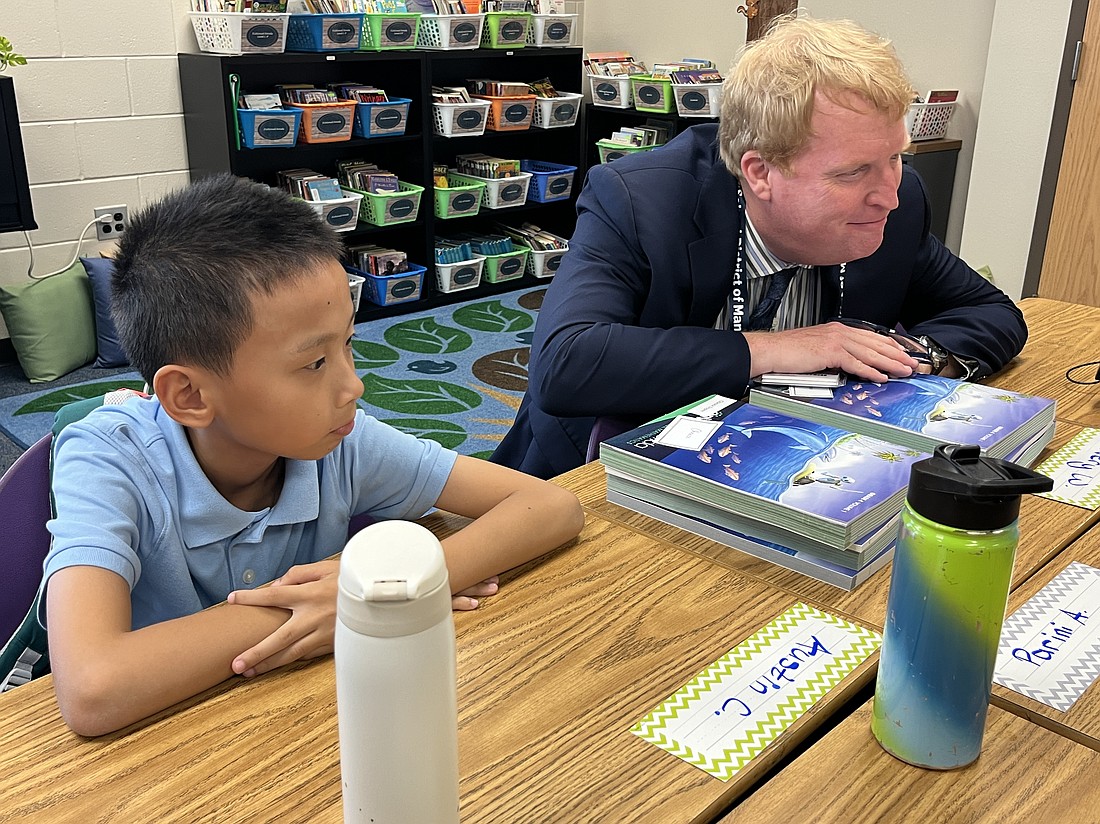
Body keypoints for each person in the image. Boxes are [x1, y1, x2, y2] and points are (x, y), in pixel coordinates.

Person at [42, 174, 585, 737]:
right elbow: (93, 688)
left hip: (300, 723)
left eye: (347, 343)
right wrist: (348, 598)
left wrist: (388, 583)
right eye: (314, 365)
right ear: (193, 396)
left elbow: (551, 507)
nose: (355, 387)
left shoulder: (341, 441)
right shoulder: (106, 458)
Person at [492, 15, 1027, 480]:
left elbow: (991, 312)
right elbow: (567, 365)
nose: (887, 193)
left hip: (796, 465)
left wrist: (914, 360)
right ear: (760, 172)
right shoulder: (641, 200)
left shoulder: (898, 202)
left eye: (894, 157)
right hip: (603, 468)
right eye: (853, 171)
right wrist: (779, 349)